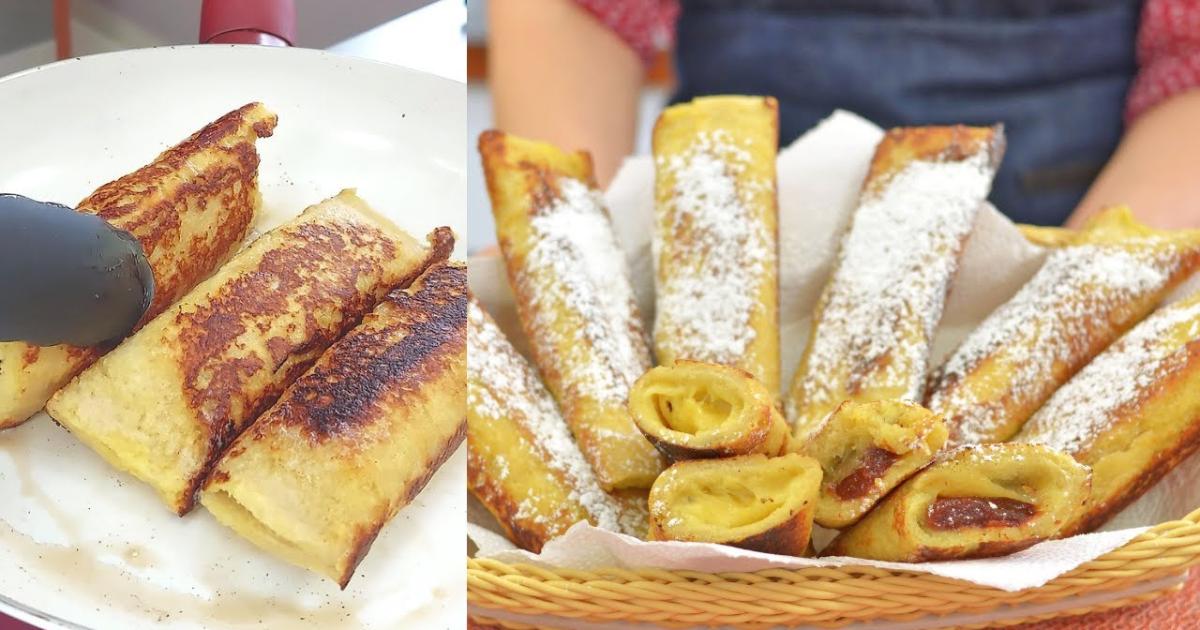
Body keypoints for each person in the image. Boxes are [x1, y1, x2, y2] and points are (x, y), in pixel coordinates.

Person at [488, 0, 1200, 228]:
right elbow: (580, 11)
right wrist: (568, 244)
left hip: (1073, 221)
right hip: (724, 238)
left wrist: (1073, 300)